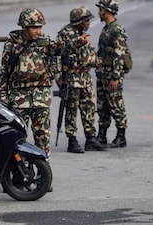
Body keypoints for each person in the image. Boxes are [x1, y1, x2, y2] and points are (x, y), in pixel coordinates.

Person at [0, 8, 89, 157]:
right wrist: (3, 96)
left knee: (43, 139)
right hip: (19, 99)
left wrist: (79, 42)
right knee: (17, 138)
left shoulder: (44, 42)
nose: (38, 31)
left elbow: (61, 48)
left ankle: (42, 172)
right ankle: (18, 172)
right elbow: (4, 72)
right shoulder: (12, 45)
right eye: (34, 27)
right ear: (25, 27)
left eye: (40, 27)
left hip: (41, 98)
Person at [55, 6, 103, 153]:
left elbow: (89, 54)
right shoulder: (65, 34)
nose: (88, 23)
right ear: (79, 21)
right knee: (71, 110)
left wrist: (95, 61)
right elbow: (56, 56)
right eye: (86, 20)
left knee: (89, 107)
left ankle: (90, 138)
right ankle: (72, 140)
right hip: (71, 77)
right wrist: (58, 78)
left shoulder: (83, 34)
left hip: (85, 76)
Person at [95, 0, 129, 148]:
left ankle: (121, 136)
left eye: (100, 9)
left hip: (112, 75)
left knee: (116, 104)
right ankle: (102, 134)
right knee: (102, 105)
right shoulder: (106, 29)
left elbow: (119, 54)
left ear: (106, 11)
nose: (99, 12)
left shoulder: (117, 29)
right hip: (102, 74)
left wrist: (115, 77)